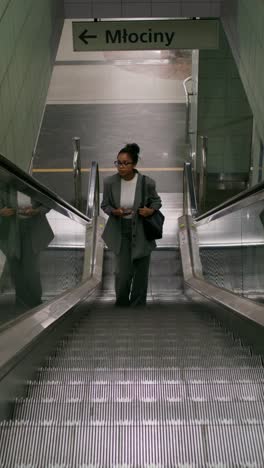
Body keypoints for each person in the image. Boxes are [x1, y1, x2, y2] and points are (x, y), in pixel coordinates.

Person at [101, 143, 162, 307]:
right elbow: (104, 205)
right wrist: (114, 212)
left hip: (142, 231)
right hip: (121, 231)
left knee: (141, 272)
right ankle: (121, 303)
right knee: (122, 273)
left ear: (134, 164)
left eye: (125, 163)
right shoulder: (109, 183)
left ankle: (138, 304)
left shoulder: (146, 183)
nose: (121, 167)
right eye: (118, 163)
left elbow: (157, 201)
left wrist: (150, 210)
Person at [0, 183, 54, 308]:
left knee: (30, 268)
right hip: (11, 231)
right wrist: (2, 211)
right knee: (15, 267)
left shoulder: (34, 184)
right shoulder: (4, 185)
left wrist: (36, 211)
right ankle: (21, 301)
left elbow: (48, 203)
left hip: (31, 230)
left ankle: (35, 301)